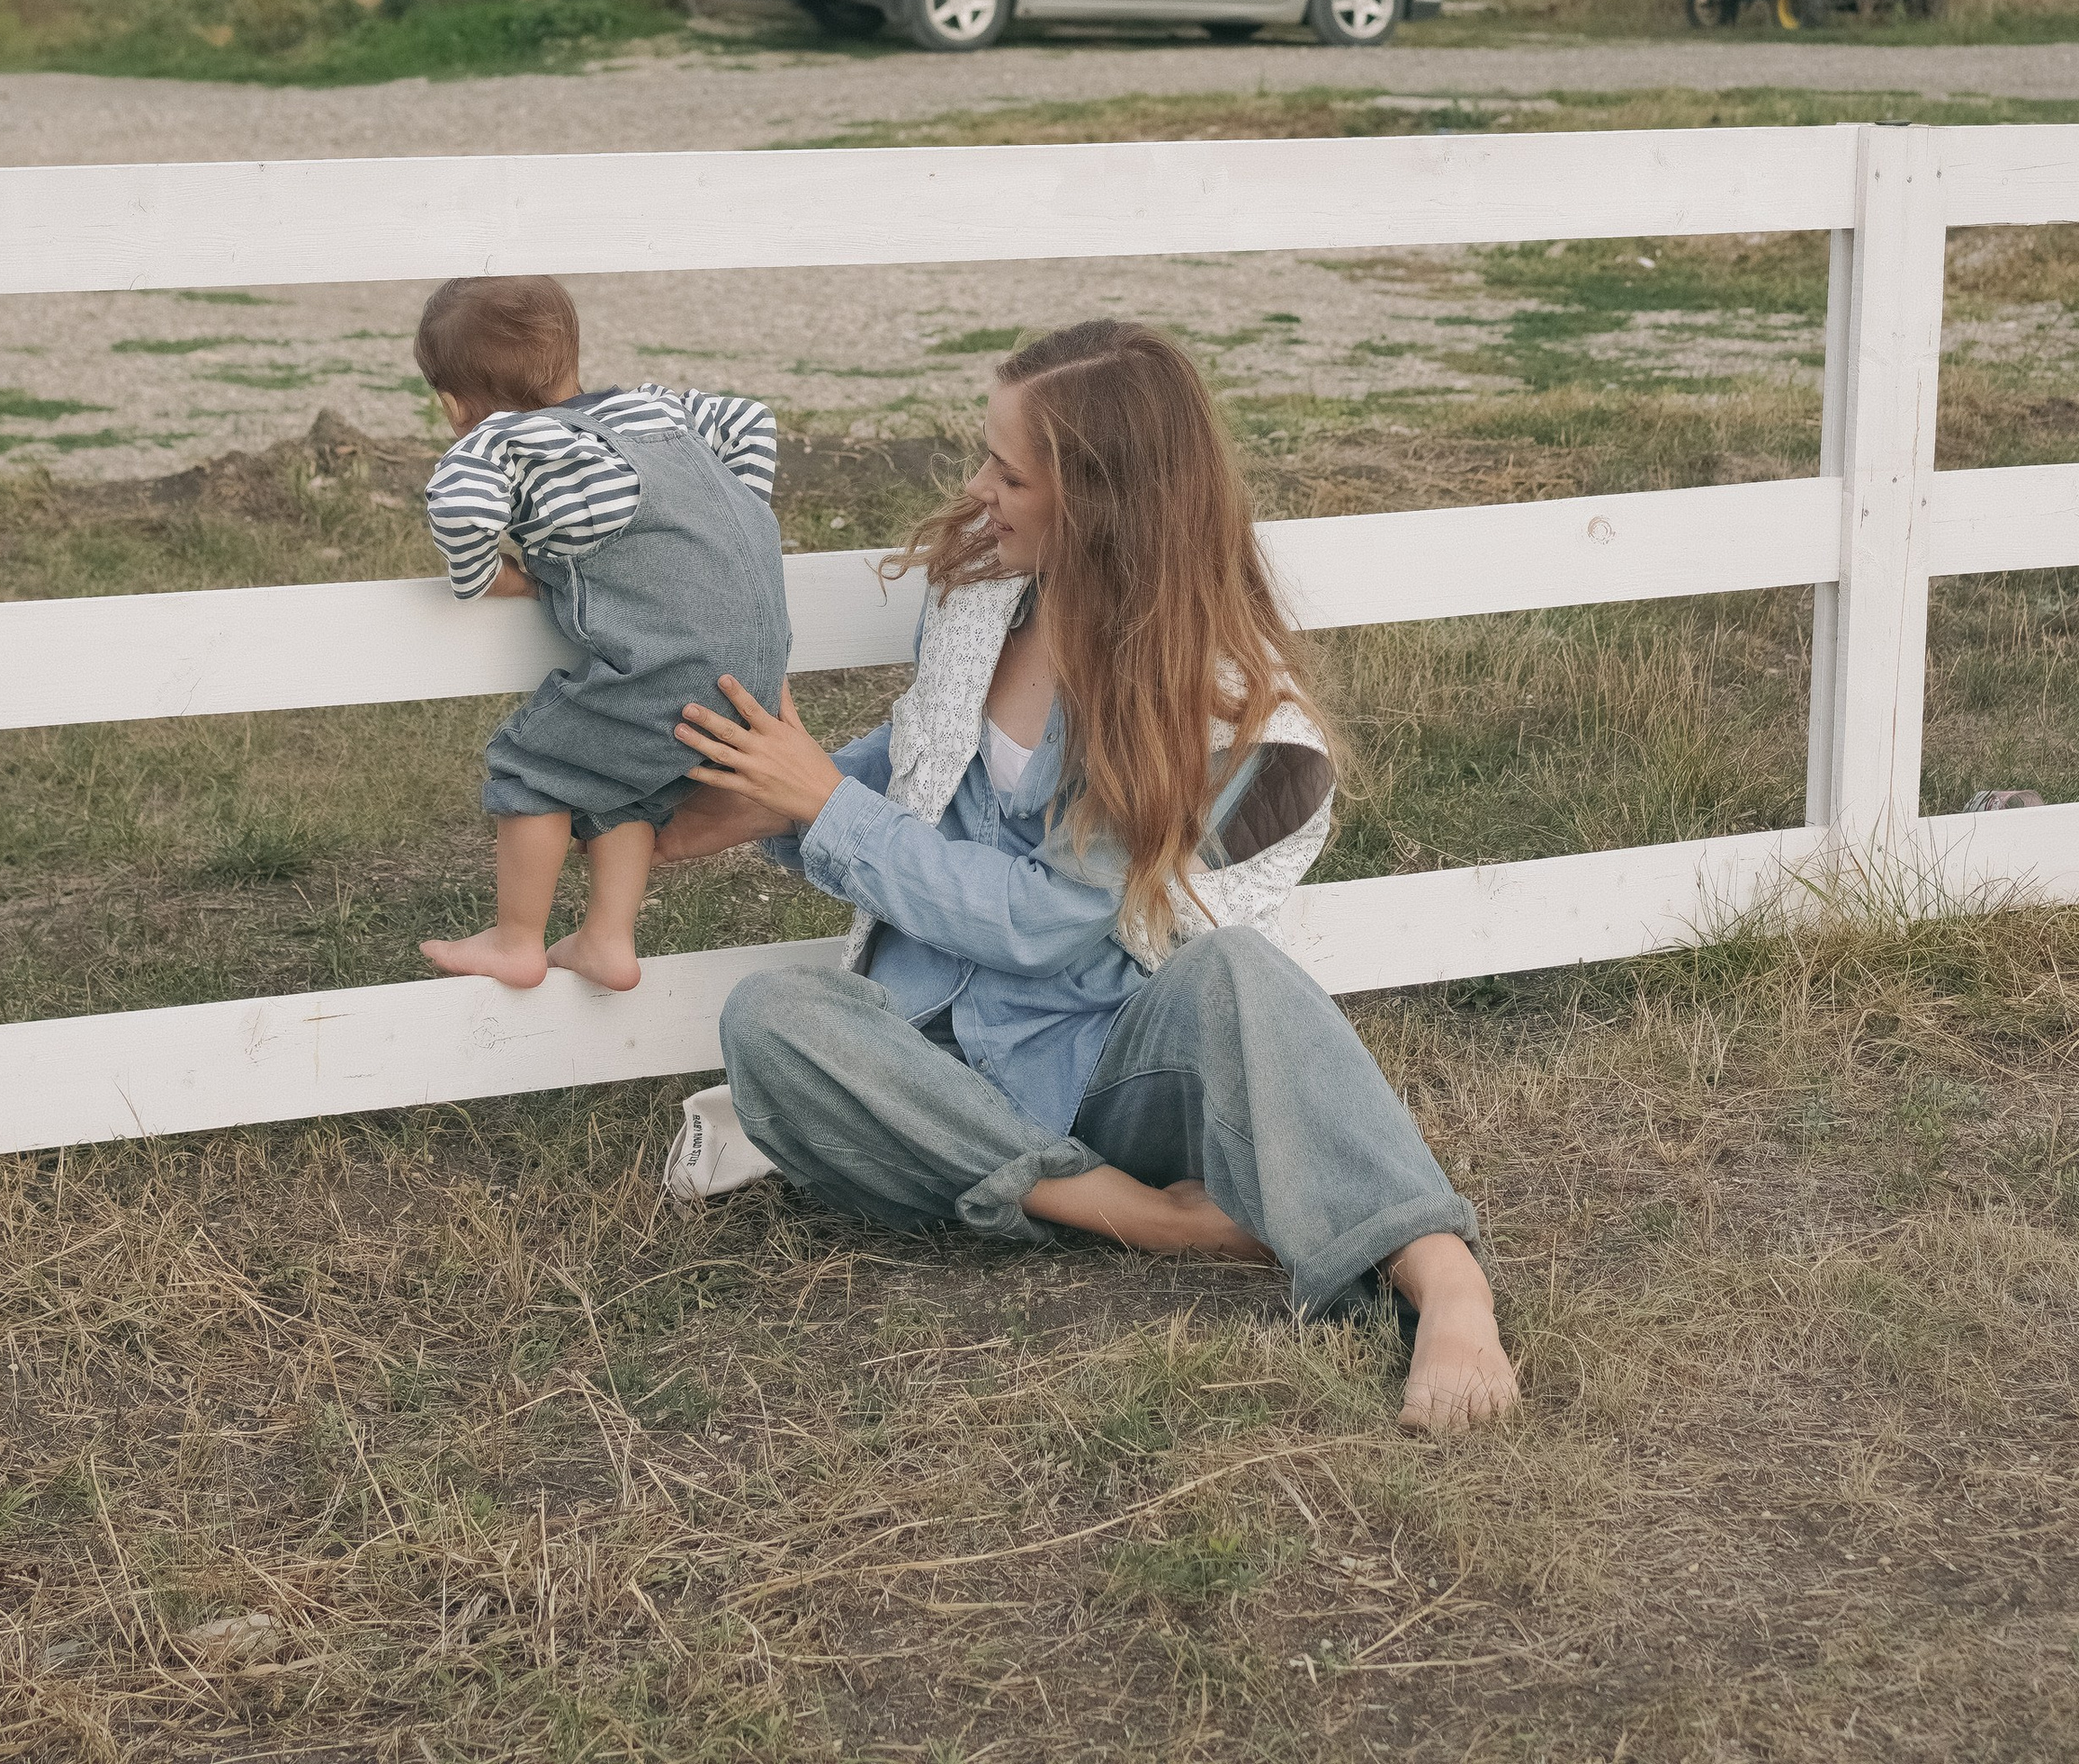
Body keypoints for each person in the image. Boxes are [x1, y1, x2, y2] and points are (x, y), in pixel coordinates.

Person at [658, 318, 1518, 1437]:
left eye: (1009, 474)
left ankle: (1445, 1281)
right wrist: (757, 802)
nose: (977, 491)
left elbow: (1040, 924)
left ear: (1105, 503)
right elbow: (924, 763)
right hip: (936, 1058)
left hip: (1106, 1062)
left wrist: (824, 805)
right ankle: (1155, 1222)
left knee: (1238, 971)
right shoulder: (983, 599)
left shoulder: (1214, 703)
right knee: (773, 1018)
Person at [412, 273, 785, 993]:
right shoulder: (654, 408)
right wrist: (729, 530)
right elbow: (750, 420)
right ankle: (606, 940)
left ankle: (516, 940)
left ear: (453, 404)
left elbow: (460, 508)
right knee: (618, 786)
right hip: (759, 663)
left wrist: (488, 578)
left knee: (534, 769)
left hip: (671, 667)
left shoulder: (503, 438)